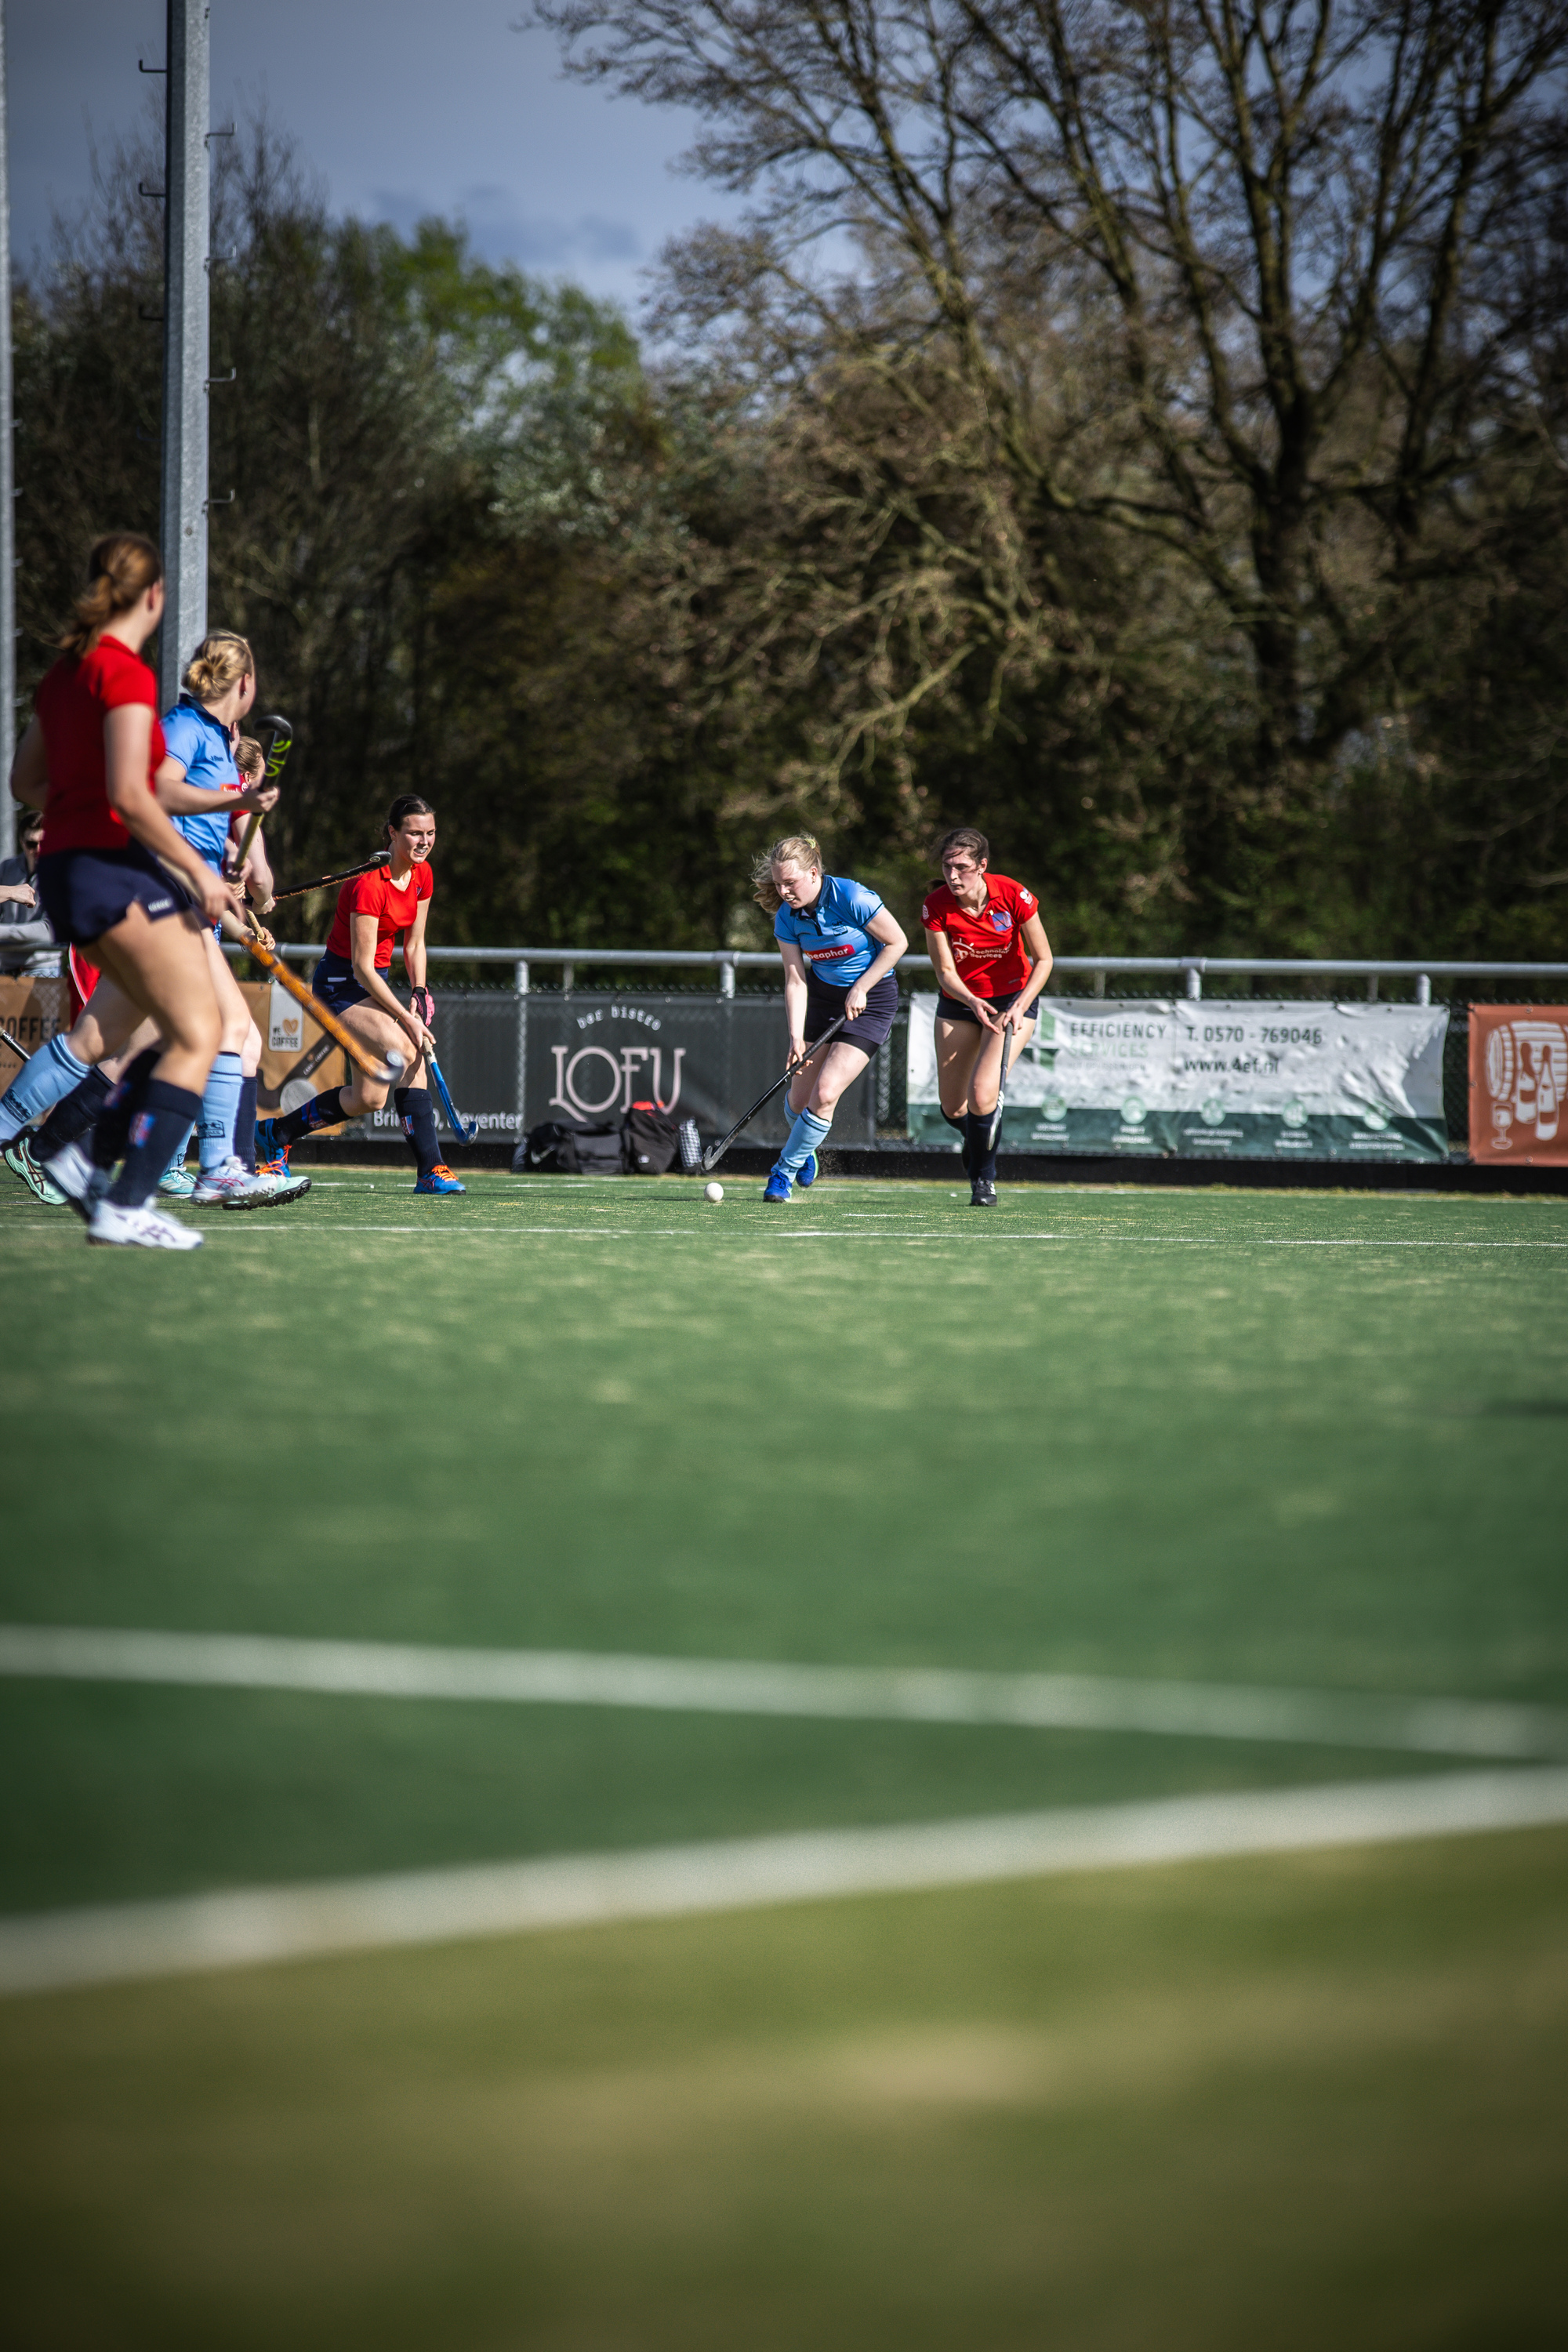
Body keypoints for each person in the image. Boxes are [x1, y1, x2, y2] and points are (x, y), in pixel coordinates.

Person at [8, 531, 238, 1247]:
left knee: (133, 1029)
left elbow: (24, 784)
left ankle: (70, 1155)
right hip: (115, 868)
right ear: (156, 595)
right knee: (203, 1033)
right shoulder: (125, 674)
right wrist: (201, 872)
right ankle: (126, 1200)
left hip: (69, 870)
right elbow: (135, 797)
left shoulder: (62, 673)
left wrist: (78, 811)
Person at [156, 644, 308, 1207]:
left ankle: (213, 1165)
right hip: (169, 896)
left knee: (213, 1037)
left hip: (193, 904)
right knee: (216, 1036)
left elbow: (254, 880)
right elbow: (156, 793)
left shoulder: (218, 751)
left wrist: (245, 900)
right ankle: (217, 1166)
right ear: (243, 682)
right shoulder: (191, 732)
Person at [255, 793, 464, 1193]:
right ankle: (431, 1169)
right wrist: (405, 1016)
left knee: (368, 1098)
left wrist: (419, 991)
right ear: (392, 832)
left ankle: (276, 1134)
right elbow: (362, 967)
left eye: (431, 833)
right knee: (408, 1047)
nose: (423, 842)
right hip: (340, 987)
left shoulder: (423, 875)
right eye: (414, 833)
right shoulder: (370, 884)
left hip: (372, 985)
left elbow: (414, 944)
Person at [753, 832, 907, 1202]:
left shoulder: (851, 897)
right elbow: (795, 978)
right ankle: (804, 1152)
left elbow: (897, 942)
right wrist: (795, 1038)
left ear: (814, 872)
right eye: (778, 884)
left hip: (872, 998)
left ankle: (782, 1173)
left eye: (790, 882)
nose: (784, 892)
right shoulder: (786, 918)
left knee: (824, 1093)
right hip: (823, 999)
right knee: (797, 1099)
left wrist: (863, 986)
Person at [920, 826, 1053, 1206]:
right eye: (947, 867)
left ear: (982, 865)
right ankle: (978, 1141)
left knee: (982, 1096)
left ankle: (983, 1178)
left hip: (1015, 999)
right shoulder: (936, 905)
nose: (953, 875)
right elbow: (945, 972)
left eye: (962, 867)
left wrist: (1018, 1004)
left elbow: (1044, 960)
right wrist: (973, 1002)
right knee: (953, 1107)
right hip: (961, 1000)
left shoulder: (1013, 894)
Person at [0, 808, 59, 975]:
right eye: (32, 844)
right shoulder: (6, 869)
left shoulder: (58, 874)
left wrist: (3, 932)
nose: (39, 849)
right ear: (21, 842)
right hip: (5, 968)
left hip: (43, 968)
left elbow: (49, 932)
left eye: (44, 842)